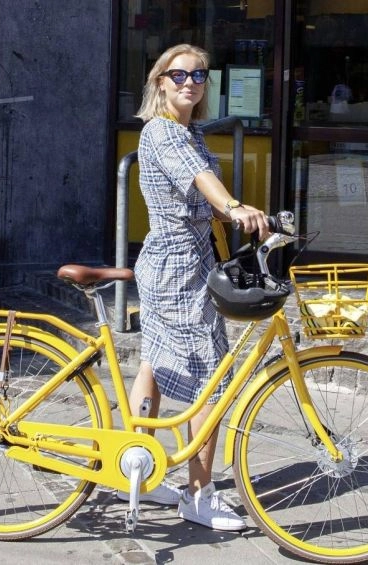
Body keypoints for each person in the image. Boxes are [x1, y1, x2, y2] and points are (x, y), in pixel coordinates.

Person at [116, 44, 270, 531]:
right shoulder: (163, 131)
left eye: (199, 75)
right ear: (160, 81)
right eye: (179, 74)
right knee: (212, 379)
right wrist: (235, 205)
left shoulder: (190, 131)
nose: (190, 82)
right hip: (178, 266)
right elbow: (200, 178)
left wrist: (237, 214)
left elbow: (203, 194)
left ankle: (138, 472)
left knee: (154, 362)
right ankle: (199, 494)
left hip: (180, 261)